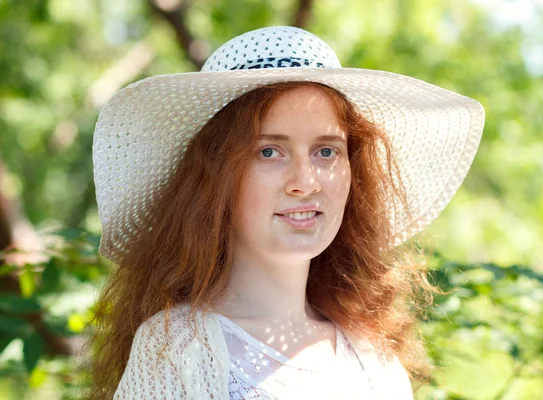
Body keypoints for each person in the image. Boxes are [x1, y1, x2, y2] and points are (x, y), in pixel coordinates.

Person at [88, 26, 484, 399]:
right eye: (269, 151)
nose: (305, 181)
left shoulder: (378, 365)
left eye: (326, 151)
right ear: (215, 178)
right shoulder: (179, 348)